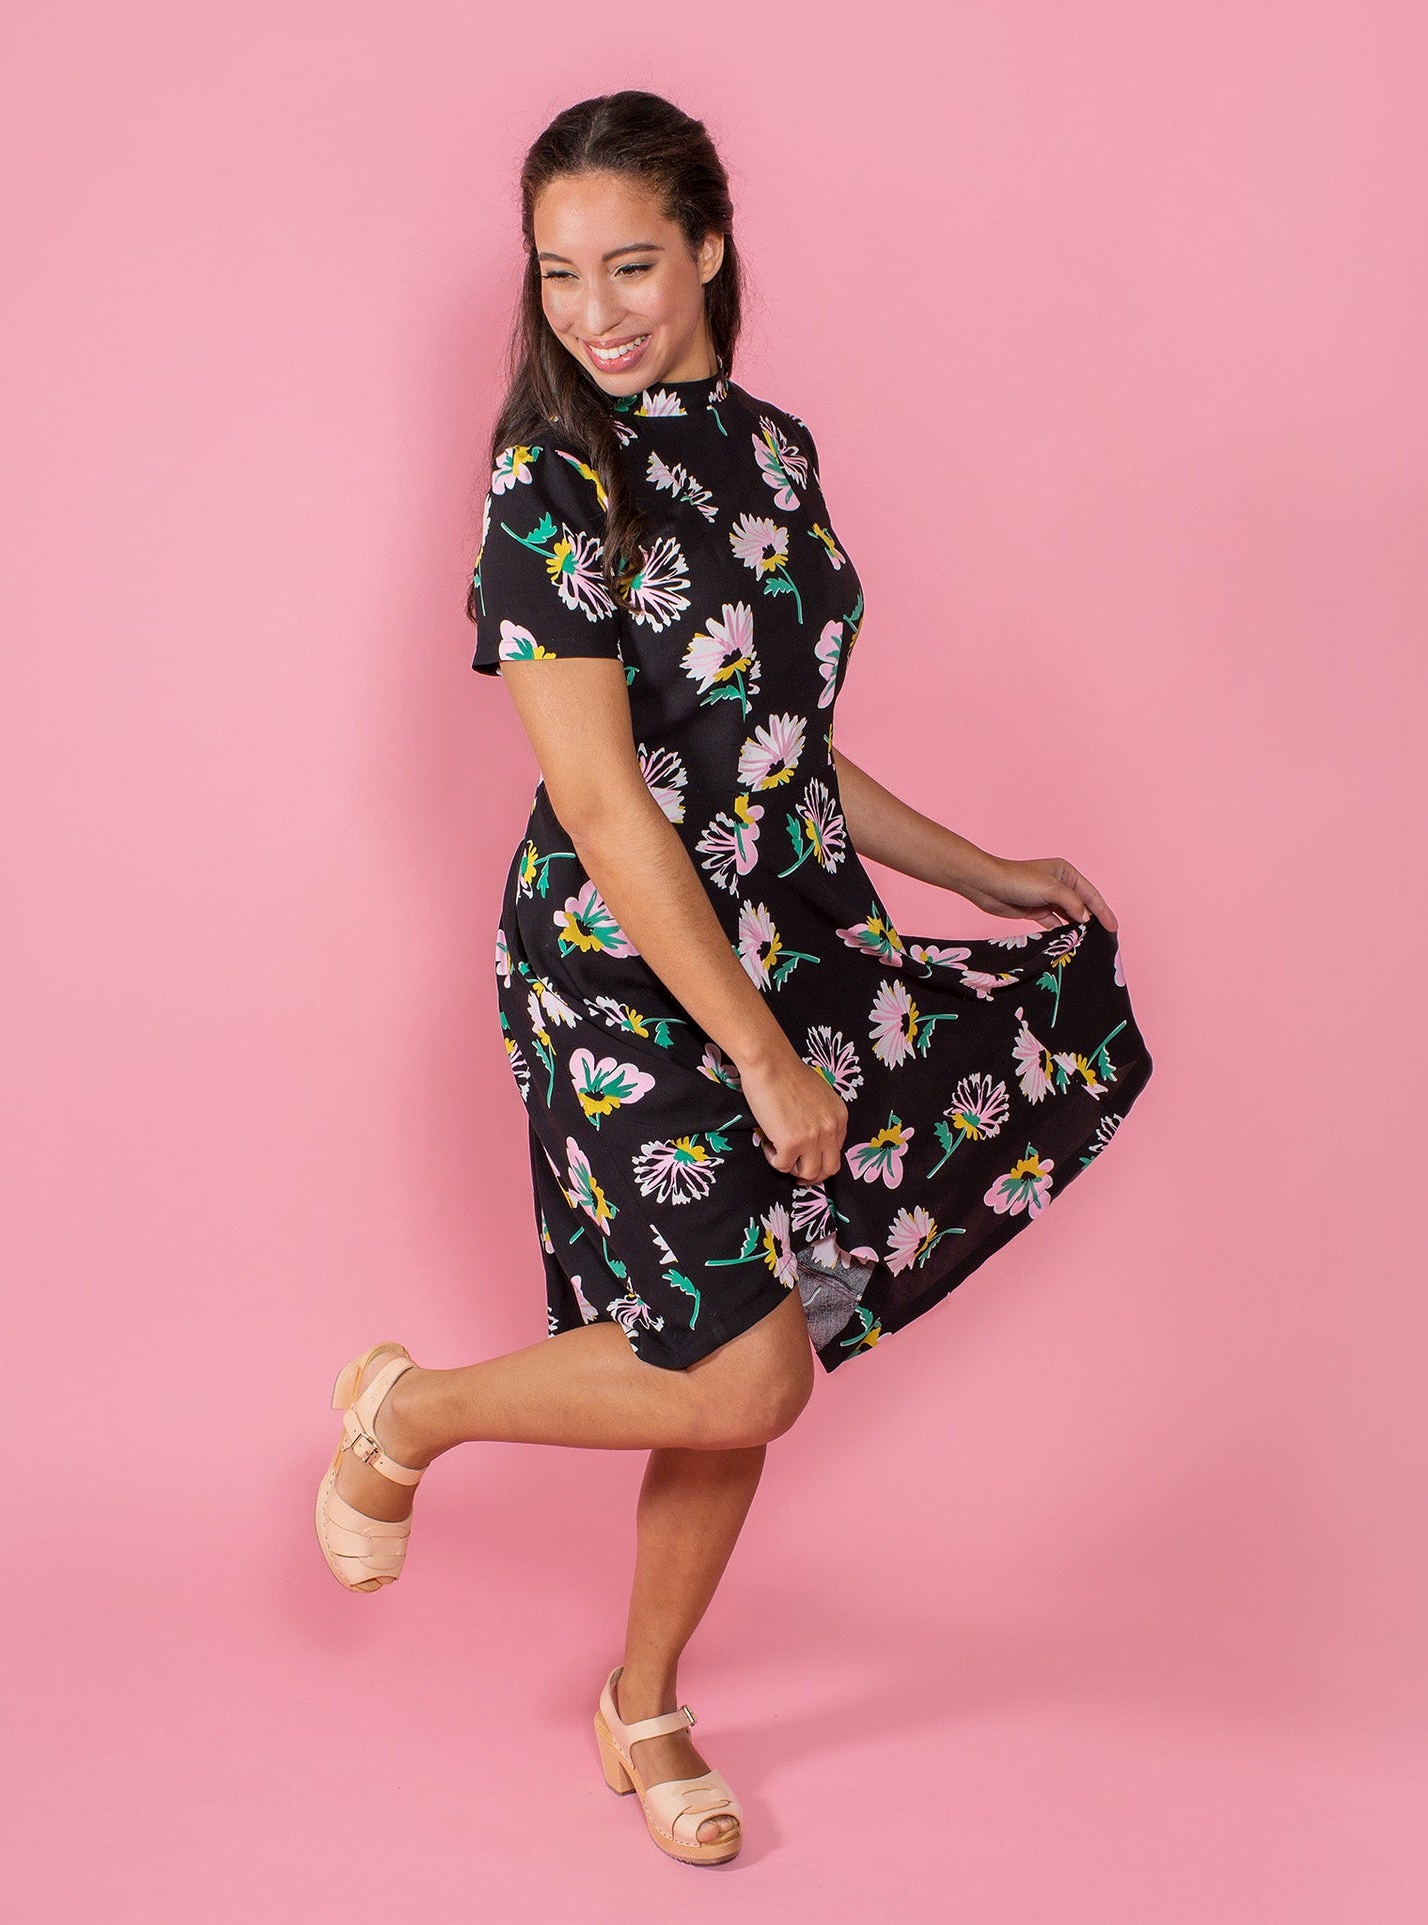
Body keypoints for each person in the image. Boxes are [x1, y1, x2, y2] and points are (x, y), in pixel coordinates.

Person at [315, 88, 1154, 1868]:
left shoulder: (773, 452)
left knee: (739, 1340)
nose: (594, 310)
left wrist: (979, 869)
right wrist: (760, 1052)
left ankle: (642, 1702)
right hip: (626, 966)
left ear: (706, 246)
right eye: (558, 274)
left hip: (791, 926)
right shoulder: (548, 483)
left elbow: (776, 746)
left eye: (629, 263)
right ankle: (412, 1409)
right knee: (746, 1363)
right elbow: (606, 799)